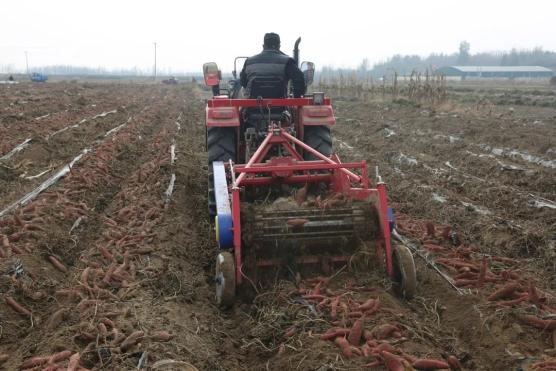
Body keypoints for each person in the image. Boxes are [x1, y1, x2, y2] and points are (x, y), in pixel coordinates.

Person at [240, 33, 305, 98]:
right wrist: (297, 97)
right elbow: (299, 79)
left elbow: (243, 82)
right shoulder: (287, 61)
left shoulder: (249, 62)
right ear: (279, 46)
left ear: (263, 46)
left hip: (253, 106)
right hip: (281, 107)